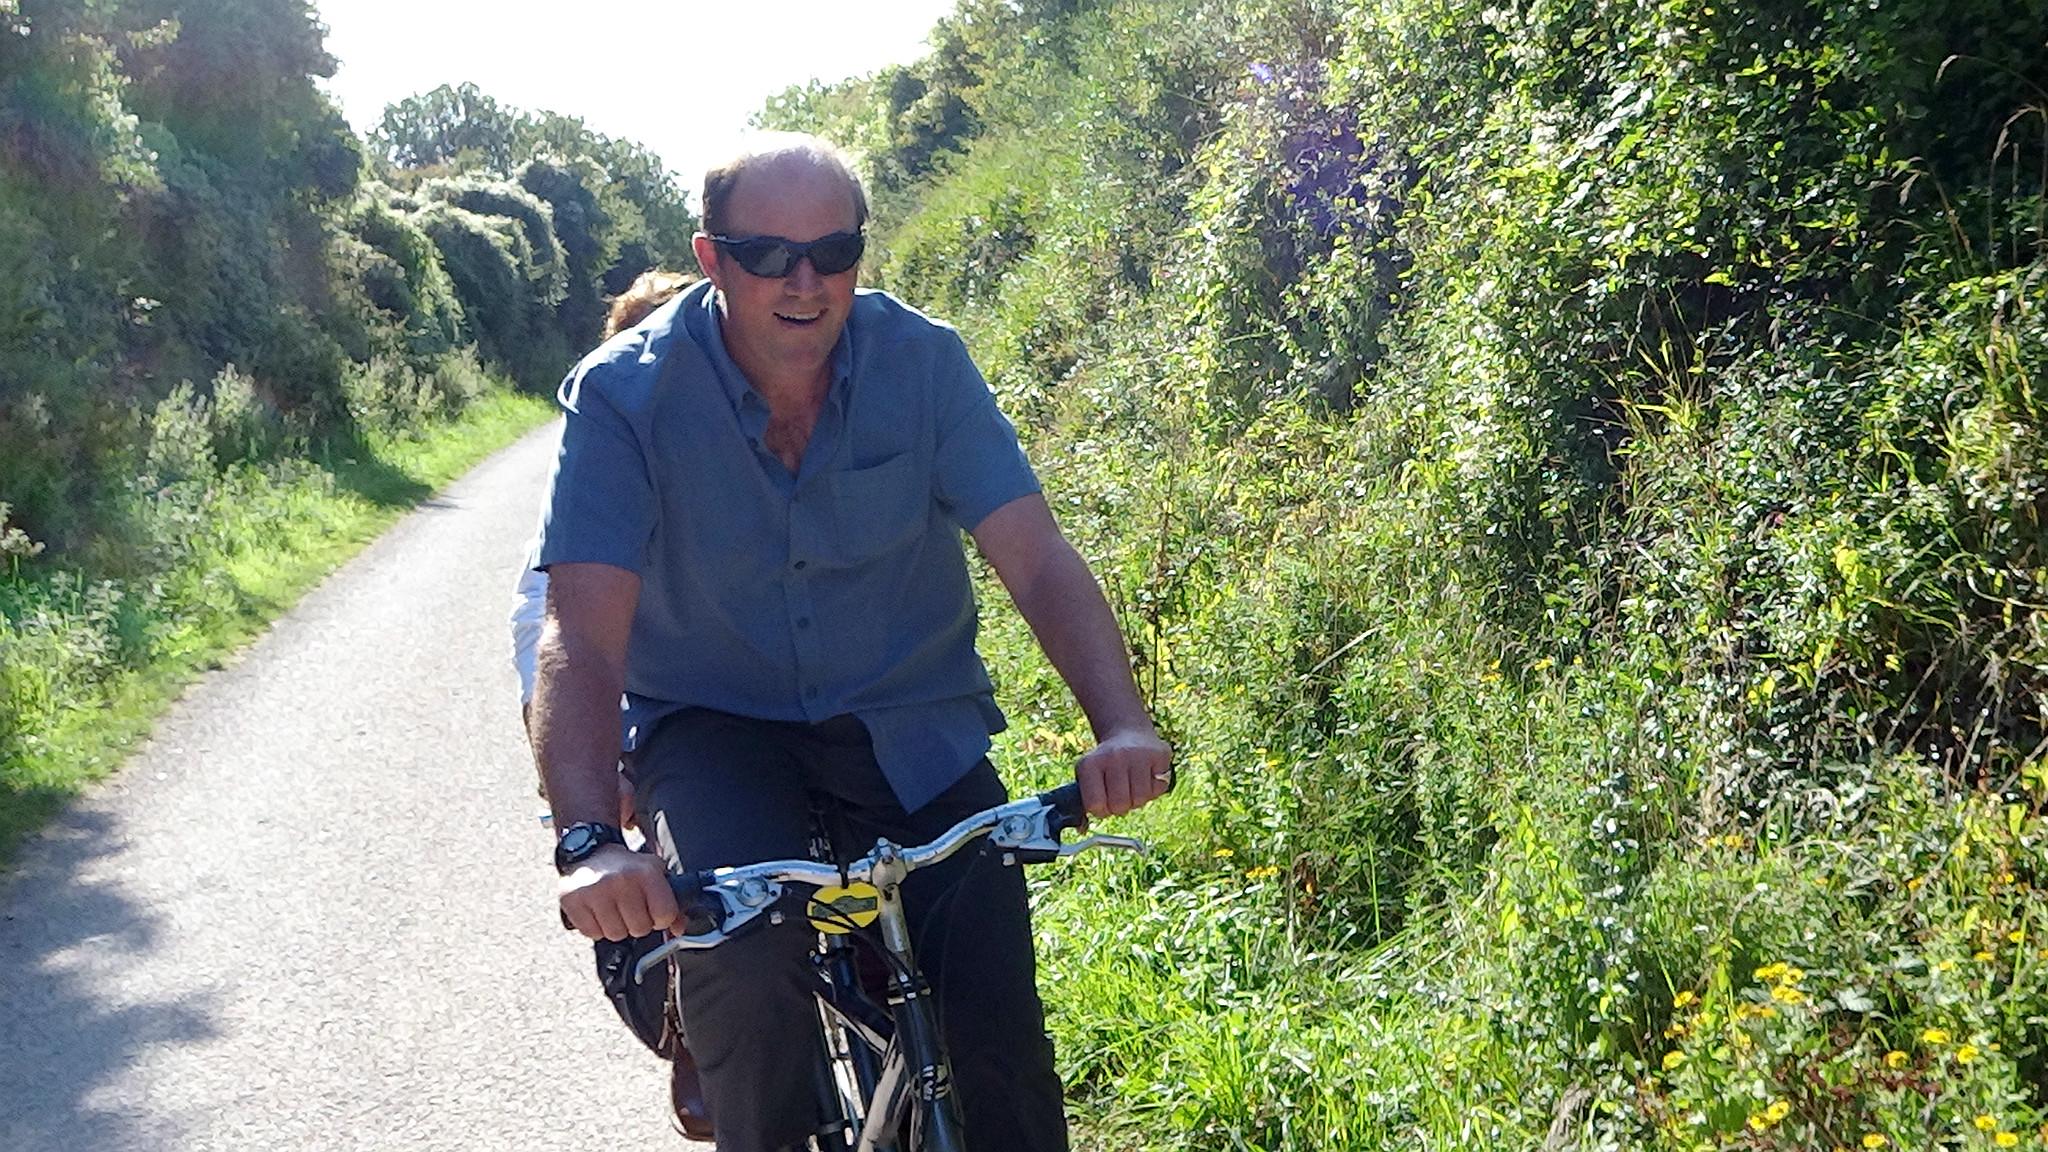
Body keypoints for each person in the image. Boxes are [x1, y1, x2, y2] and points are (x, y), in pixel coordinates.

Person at [528, 132, 1172, 1152]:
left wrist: (1120, 724)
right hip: (714, 726)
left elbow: (1037, 559)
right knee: (740, 954)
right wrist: (586, 837)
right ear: (710, 260)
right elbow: (582, 631)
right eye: (766, 254)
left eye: (833, 251)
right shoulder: (626, 395)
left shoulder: (924, 364)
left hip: (906, 717)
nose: (804, 281)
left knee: (992, 1010)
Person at [510, 266, 712, 1140]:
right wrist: (602, 772)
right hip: (657, 728)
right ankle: (704, 1039)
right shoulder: (594, 484)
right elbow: (548, 639)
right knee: (690, 881)